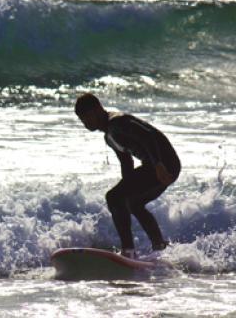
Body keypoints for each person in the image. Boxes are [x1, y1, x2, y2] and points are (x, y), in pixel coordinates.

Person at [74, 93, 181, 258]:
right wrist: (125, 189)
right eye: (82, 119)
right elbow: (126, 162)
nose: (85, 123)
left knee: (113, 197)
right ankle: (159, 247)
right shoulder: (109, 136)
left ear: (97, 109)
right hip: (158, 165)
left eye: (87, 117)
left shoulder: (117, 122)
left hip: (164, 165)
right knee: (132, 203)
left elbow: (148, 136)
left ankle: (128, 251)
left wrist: (159, 165)